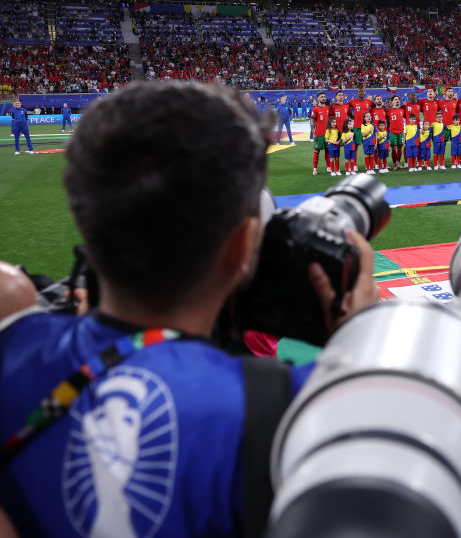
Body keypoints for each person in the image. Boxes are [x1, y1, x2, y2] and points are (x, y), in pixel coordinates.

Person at [0, 83, 379, 537]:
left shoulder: (15, 342)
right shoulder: (293, 406)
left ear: (87, 220)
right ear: (243, 245)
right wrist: (364, 337)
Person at [309, 91, 330, 175]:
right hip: (319, 134)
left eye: (324, 97)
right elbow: (312, 122)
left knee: (328, 151)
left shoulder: (328, 108)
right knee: (316, 151)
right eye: (321, 97)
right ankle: (315, 169)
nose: (323, 98)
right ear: (318, 98)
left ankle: (328, 167)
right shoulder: (315, 109)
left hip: (328, 134)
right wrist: (314, 134)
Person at [386, 96, 406, 170]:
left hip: (401, 131)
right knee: (394, 148)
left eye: (398, 99)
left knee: (400, 147)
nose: (397, 101)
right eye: (395, 99)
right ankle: (394, 164)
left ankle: (398, 163)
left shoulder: (402, 110)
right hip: (392, 132)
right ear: (392, 101)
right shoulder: (389, 110)